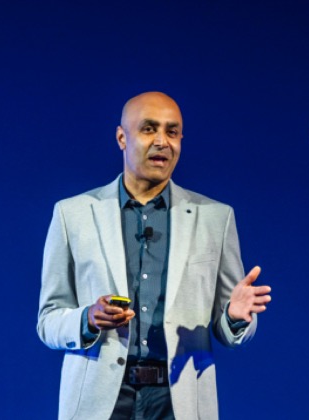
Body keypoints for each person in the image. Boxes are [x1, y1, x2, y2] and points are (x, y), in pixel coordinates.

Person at [37, 91, 271, 420]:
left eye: (172, 132)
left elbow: (228, 330)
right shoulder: (73, 215)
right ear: (122, 138)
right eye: (149, 129)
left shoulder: (215, 218)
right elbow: (48, 321)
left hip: (178, 401)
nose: (162, 141)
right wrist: (88, 318)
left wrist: (234, 316)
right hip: (99, 402)